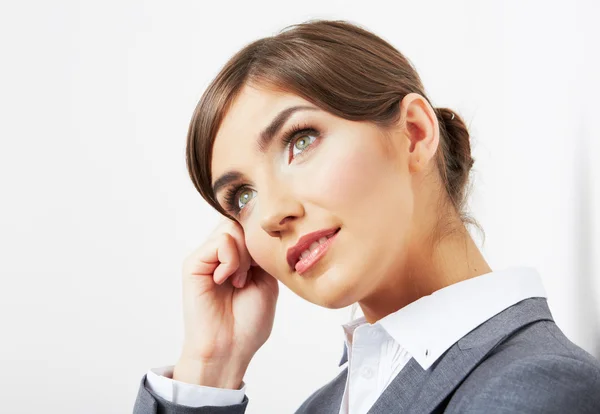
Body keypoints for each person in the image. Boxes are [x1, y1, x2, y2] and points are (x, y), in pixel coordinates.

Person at [133, 19, 600, 414]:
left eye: (300, 141)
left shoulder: (541, 391)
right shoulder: (324, 405)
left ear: (414, 134)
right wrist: (211, 366)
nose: (272, 213)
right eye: (242, 196)